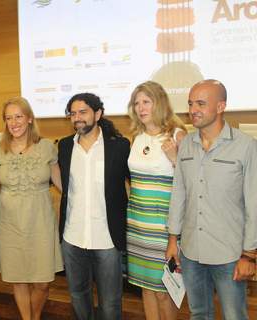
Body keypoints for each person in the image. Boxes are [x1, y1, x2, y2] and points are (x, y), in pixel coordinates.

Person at [166, 79, 257, 319]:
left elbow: (254, 203)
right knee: (198, 313)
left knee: (234, 315)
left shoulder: (246, 146)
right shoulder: (186, 146)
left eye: (201, 103)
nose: (193, 109)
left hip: (229, 254)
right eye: (190, 103)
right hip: (191, 251)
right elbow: (179, 193)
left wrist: (249, 255)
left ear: (220, 107)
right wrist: (173, 240)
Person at [0, 97, 64, 320]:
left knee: (42, 282)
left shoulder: (47, 147)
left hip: (40, 221)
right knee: (18, 279)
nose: (14, 122)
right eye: (9, 118)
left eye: (18, 116)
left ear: (29, 118)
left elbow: (63, 187)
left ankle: (36, 315)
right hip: (8, 222)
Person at [58, 92, 130, 320]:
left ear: (98, 114)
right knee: (78, 296)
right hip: (73, 237)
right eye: (73, 113)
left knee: (110, 303)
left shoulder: (119, 146)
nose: (77, 117)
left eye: (83, 112)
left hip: (107, 239)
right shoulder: (65, 147)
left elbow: (133, 184)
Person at [126, 81, 187, 320]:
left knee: (164, 290)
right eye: (137, 103)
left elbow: (192, 183)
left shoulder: (177, 134)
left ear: (159, 102)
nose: (141, 108)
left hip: (164, 228)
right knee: (145, 287)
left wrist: (174, 159)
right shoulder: (137, 136)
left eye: (146, 102)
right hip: (138, 225)